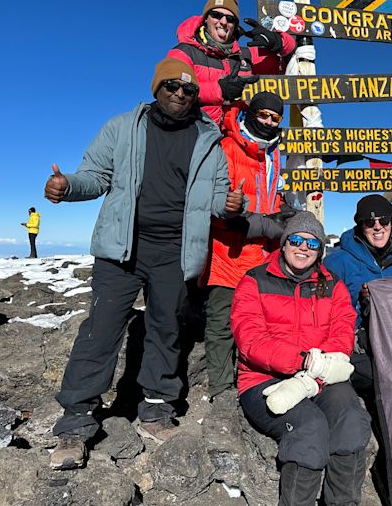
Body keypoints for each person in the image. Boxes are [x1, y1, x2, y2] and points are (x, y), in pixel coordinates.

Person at [44, 58, 280, 470]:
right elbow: (95, 176)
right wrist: (67, 188)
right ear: (157, 88)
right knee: (100, 333)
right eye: (172, 86)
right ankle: (75, 421)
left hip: (175, 251)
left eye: (188, 90)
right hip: (121, 250)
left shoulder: (207, 139)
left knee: (166, 330)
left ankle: (156, 409)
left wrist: (228, 206)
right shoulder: (123, 127)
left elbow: (219, 195)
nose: (180, 94)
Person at [231, 212, 371, 506]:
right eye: (296, 239)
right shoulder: (254, 281)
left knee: (352, 421)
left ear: (320, 251)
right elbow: (251, 341)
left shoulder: (333, 285)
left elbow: (342, 329)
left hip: (319, 375)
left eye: (312, 243)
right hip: (263, 380)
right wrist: (304, 362)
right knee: (309, 428)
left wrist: (318, 368)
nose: (303, 248)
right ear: (283, 244)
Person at [202, 91, 290, 400]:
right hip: (228, 253)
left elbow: (273, 197)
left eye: (275, 118)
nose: (267, 122)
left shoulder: (275, 155)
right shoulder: (227, 147)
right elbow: (213, 204)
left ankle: (256, 382)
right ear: (250, 113)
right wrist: (260, 221)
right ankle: (222, 390)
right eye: (263, 115)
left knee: (261, 324)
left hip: (262, 256)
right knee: (222, 324)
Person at [324, 194, 392, 393]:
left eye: (384, 220)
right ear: (359, 225)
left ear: (391, 223)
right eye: (369, 222)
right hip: (358, 343)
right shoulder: (336, 261)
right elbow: (326, 313)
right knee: (385, 380)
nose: (378, 227)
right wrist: (360, 301)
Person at [167, 0, 295, 124]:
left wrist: (279, 42)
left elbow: (290, 66)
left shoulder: (246, 56)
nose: (223, 22)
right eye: (217, 15)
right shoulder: (185, 51)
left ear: (234, 26)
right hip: (193, 134)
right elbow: (170, 91)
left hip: (236, 139)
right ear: (206, 19)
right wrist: (219, 90)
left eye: (230, 19)